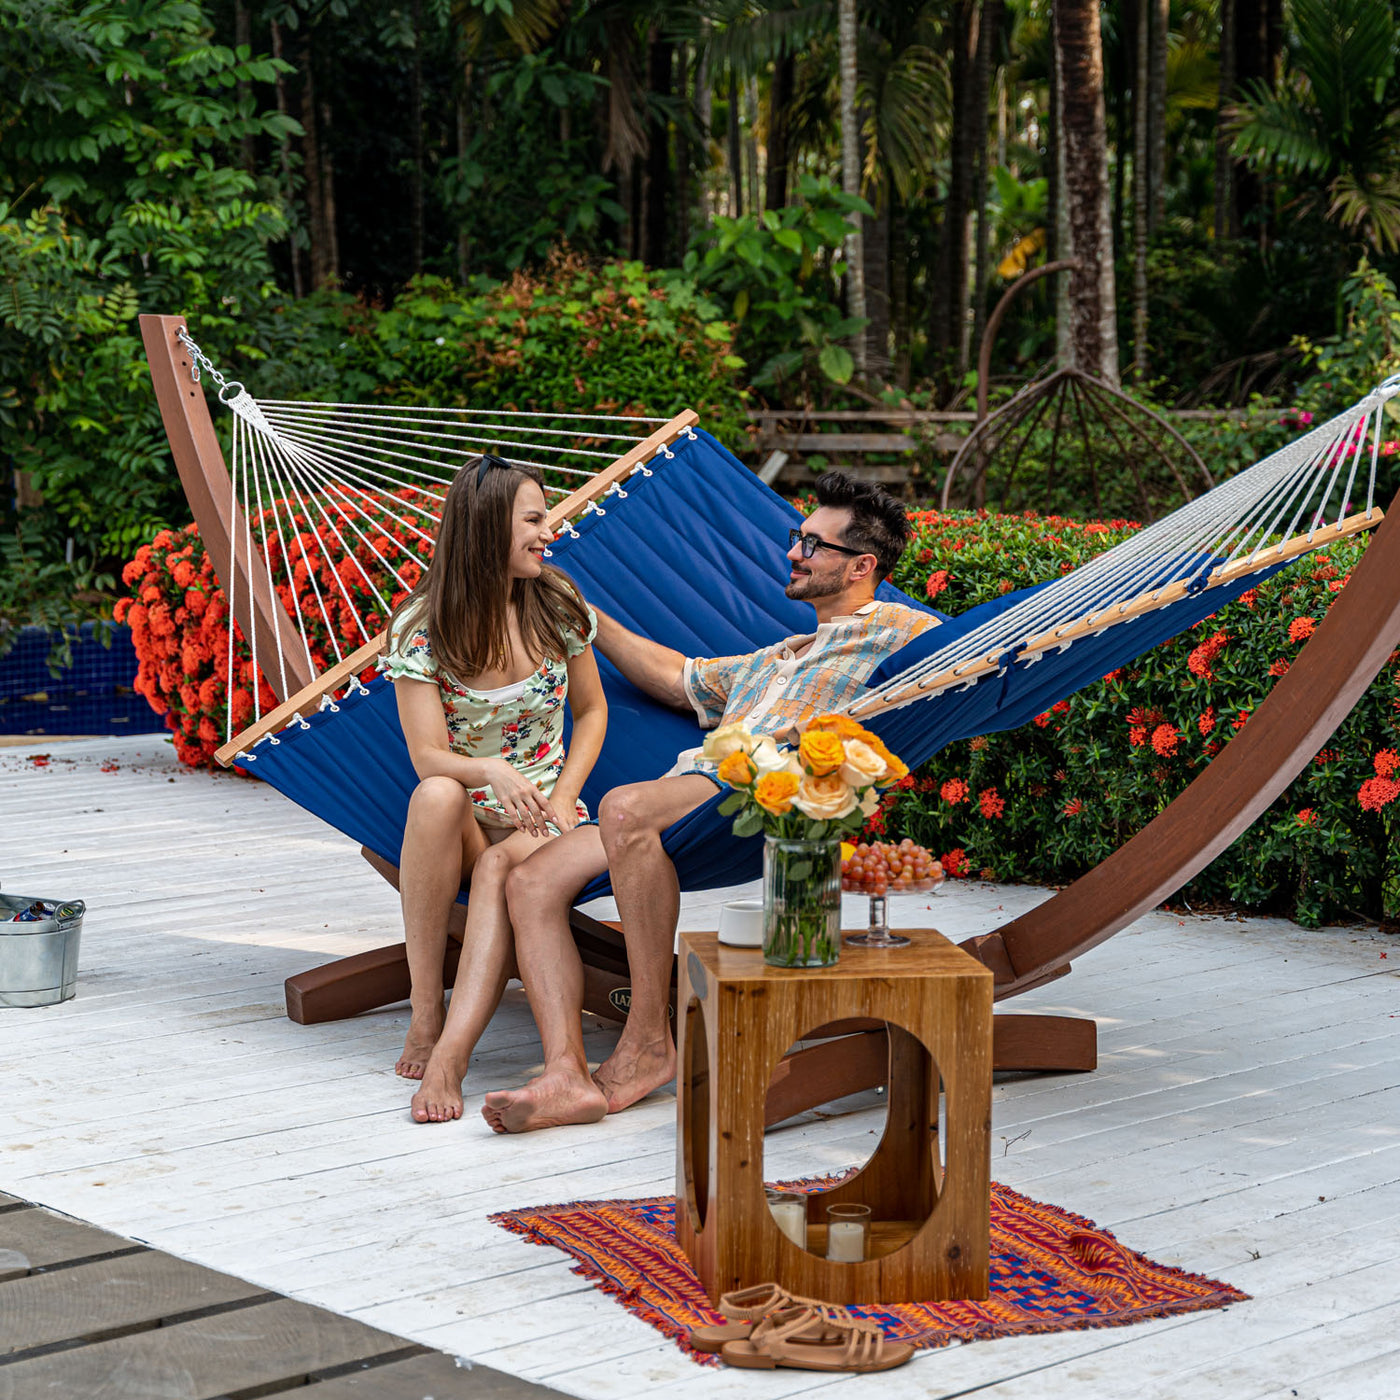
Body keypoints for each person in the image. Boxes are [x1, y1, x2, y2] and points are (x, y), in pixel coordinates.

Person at [481, 470, 937, 1133]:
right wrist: (579, 608)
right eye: (797, 538)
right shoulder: (774, 659)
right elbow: (673, 677)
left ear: (863, 565)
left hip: (760, 798)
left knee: (625, 808)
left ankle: (646, 1042)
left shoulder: (895, 629)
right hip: (694, 792)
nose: (792, 553)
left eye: (812, 544)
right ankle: (564, 1075)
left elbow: (973, 651)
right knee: (528, 882)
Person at [381, 453, 607, 1124]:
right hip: (468, 825)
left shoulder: (557, 605)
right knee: (436, 796)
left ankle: (450, 1055)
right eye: (534, 519)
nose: (548, 531)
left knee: (507, 868)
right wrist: (489, 771)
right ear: (485, 529)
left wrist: (563, 798)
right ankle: (427, 1010)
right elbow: (428, 757)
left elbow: (592, 711)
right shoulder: (423, 628)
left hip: (549, 823)